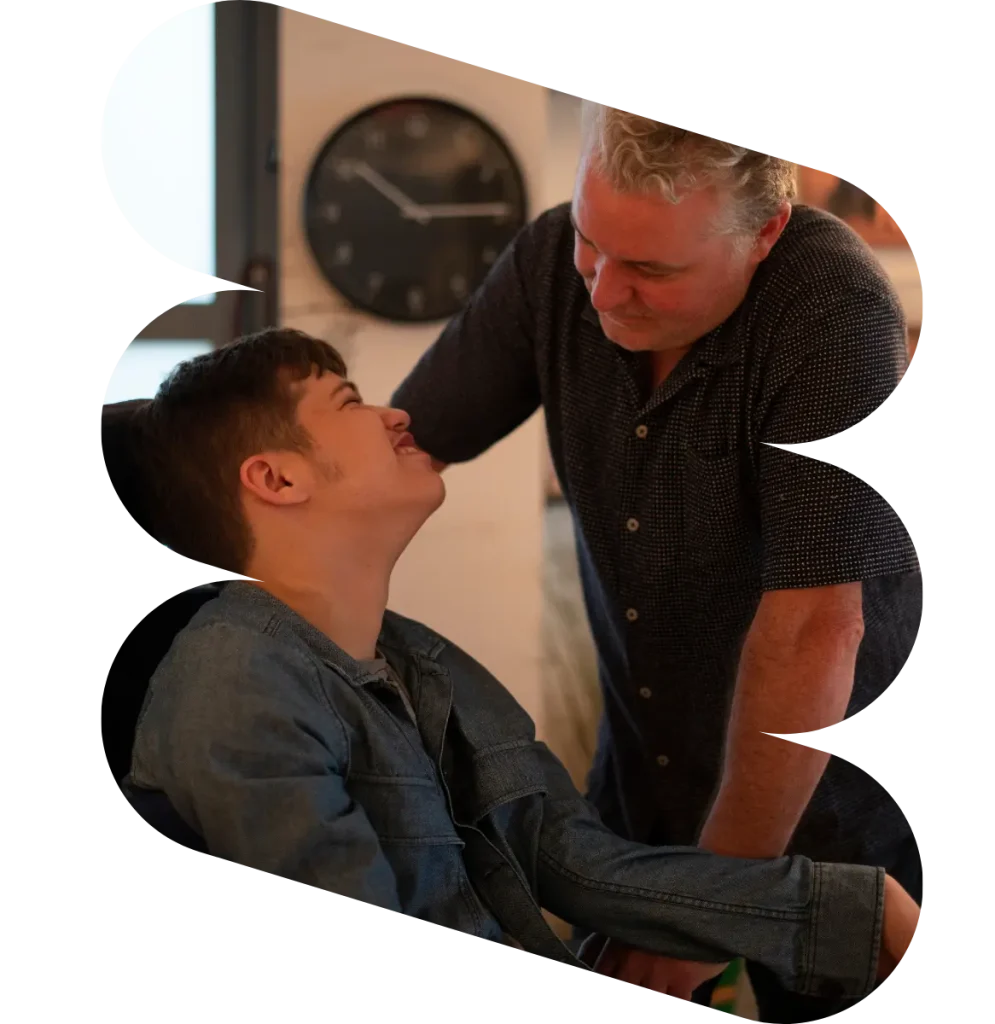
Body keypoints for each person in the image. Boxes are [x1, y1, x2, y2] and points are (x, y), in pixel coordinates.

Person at [120, 329, 921, 1006]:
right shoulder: (235, 682)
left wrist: (851, 911)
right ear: (275, 478)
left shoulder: (418, 660)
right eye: (349, 400)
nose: (396, 411)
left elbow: (574, 860)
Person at [388, 106, 927, 1019]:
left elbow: (812, 631)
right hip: (647, 766)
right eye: (594, 244)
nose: (601, 292)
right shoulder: (554, 260)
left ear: (765, 235)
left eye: (651, 270)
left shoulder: (833, 311)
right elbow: (405, 444)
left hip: (832, 794)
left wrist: (706, 906)